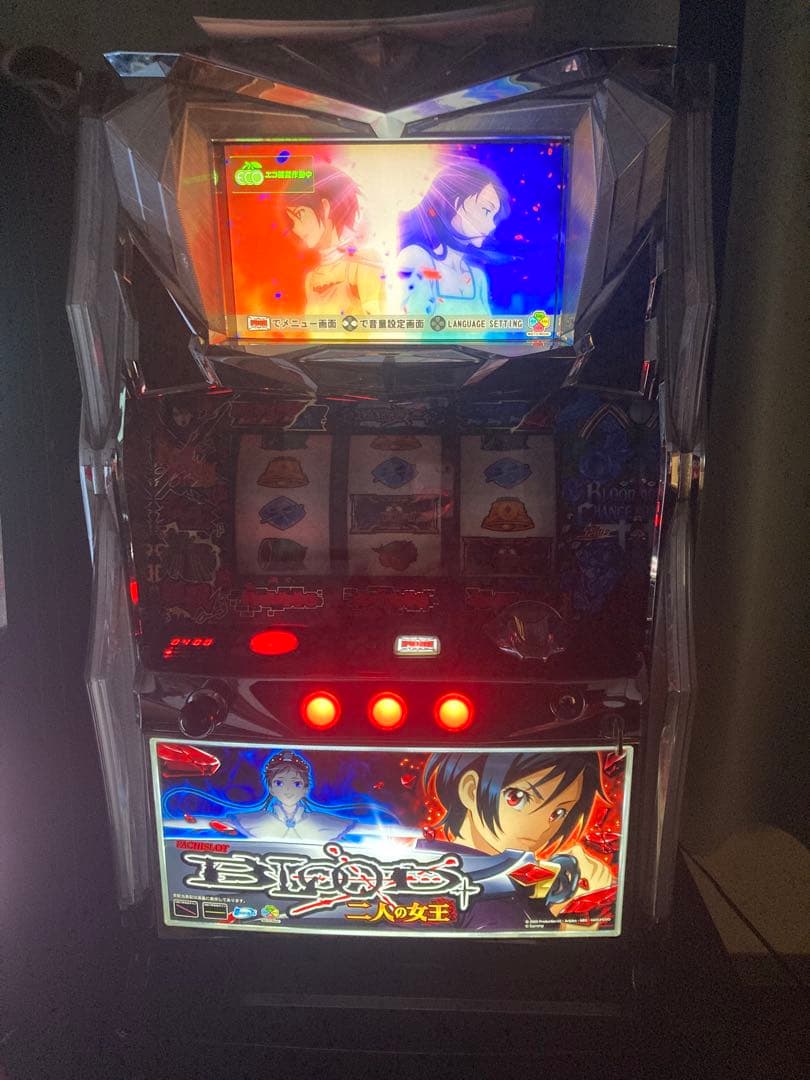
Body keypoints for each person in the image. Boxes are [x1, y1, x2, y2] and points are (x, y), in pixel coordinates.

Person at [421, 750, 615, 928]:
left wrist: (568, 904)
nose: (542, 828)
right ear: (470, 790)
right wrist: (573, 921)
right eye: (517, 797)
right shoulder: (428, 875)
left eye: (558, 813)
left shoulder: (525, 875)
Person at [397, 160, 510, 318]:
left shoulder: (477, 278)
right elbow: (410, 326)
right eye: (486, 210)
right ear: (455, 203)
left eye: (493, 216)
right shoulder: (417, 258)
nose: (491, 225)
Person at [282, 167, 385, 317]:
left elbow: (377, 322)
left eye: (299, 214)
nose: (295, 228)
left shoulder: (362, 262)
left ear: (325, 207)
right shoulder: (310, 279)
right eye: (292, 219)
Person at [231, 750, 352, 844]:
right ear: (271, 788)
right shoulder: (256, 820)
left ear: (305, 789)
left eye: (296, 783)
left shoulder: (321, 821)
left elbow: (361, 831)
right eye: (279, 783)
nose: (288, 790)